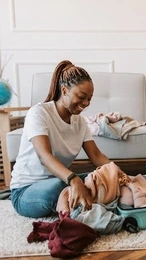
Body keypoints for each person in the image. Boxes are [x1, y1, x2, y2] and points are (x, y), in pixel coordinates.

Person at [10, 60, 111, 218]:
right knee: (64, 186)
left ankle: (78, 203)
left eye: (89, 99)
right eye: (81, 96)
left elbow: (97, 156)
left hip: (62, 181)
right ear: (64, 90)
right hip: (26, 191)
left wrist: (120, 175)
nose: (86, 103)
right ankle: (78, 209)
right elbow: (45, 156)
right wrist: (74, 179)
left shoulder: (80, 122)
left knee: (96, 178)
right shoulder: (38, 113)